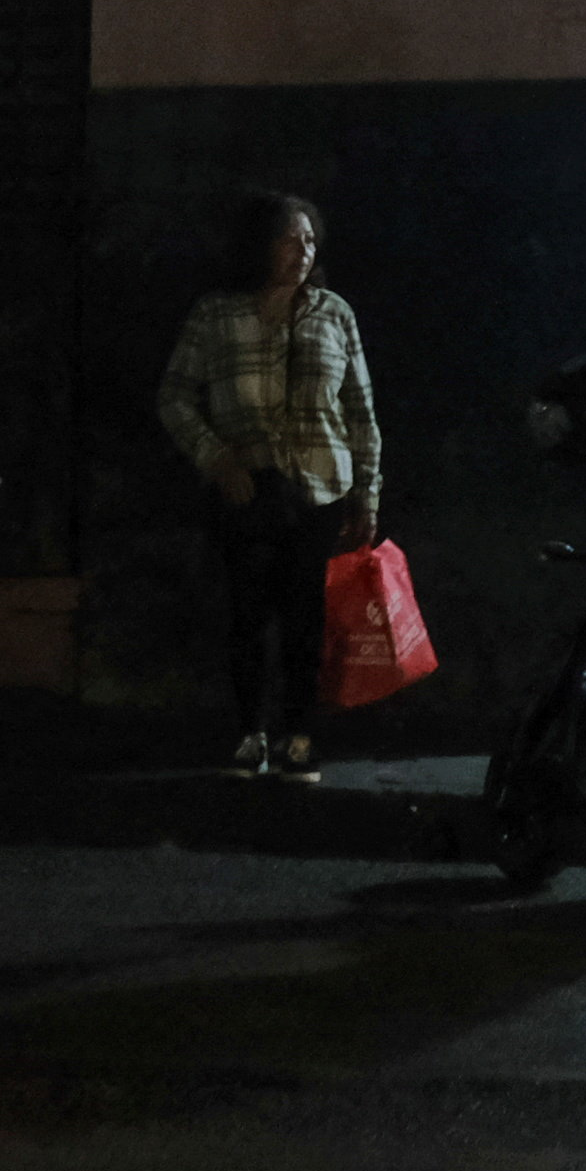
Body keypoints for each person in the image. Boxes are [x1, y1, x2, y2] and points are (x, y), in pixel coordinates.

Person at [157, 189, 383, 778]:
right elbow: (175, 397)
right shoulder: (217, 314)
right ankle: (250, 732)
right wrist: (217, 458)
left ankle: (300, 734)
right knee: (249, 612)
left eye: (310, 240)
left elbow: (360, 412)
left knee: (307, 615)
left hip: (320, 487)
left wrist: (367, 493)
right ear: (261, 244)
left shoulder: (334, 313)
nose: (303, 251)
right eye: (290, 238)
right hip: (247, 487)